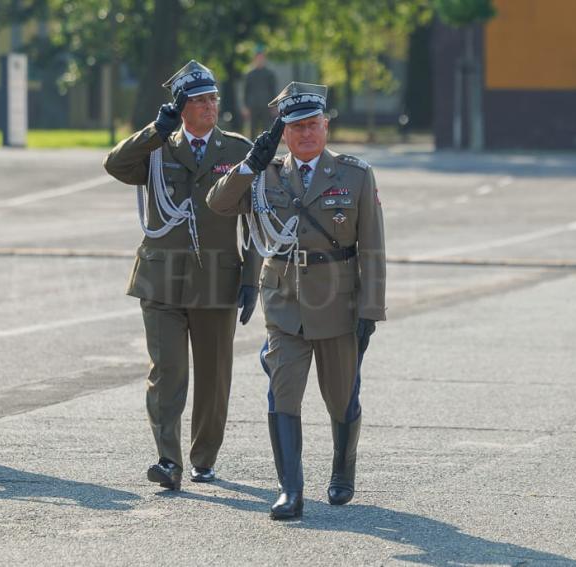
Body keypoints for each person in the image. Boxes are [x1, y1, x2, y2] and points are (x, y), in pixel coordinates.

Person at [207, 82, 386, 519]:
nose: (306, 134)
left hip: (337, 302)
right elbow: (218, 202)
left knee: (340, 397)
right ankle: (291, 489)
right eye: (296, 128)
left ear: (325, 127)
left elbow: (373, 247)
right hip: (284, 300)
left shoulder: (354, 174)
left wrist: (371, 309)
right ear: (283, 134)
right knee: (283, 394)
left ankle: (342, 470)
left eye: (313, 125)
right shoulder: (264, 173)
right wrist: (251, 162)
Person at [103, 60, 260, 489]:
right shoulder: (157, 146)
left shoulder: (237, 150)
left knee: (213, 377)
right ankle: (168, 461)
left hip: (217, 279)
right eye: (200, 100)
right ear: (181, 106)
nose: (210, 106)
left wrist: (251, 279)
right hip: (162, 280)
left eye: (213, 98)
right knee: (168, 372)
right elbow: (115, 165)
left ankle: (203, 458)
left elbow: (256, 221)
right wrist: (155, 130)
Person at [242, 47, 278, 140]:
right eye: (258, 58)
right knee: (252, 128)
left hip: (266, 105)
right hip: (253, 105)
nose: (260, 60)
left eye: (261, 58)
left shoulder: (269, 74)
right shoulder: (250, 74)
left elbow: (273, 90)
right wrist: (245, 107)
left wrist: (274, 106)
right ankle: (252, 148)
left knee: (266, 128)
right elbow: (246, 91)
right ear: (255, 59)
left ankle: (265, 147)